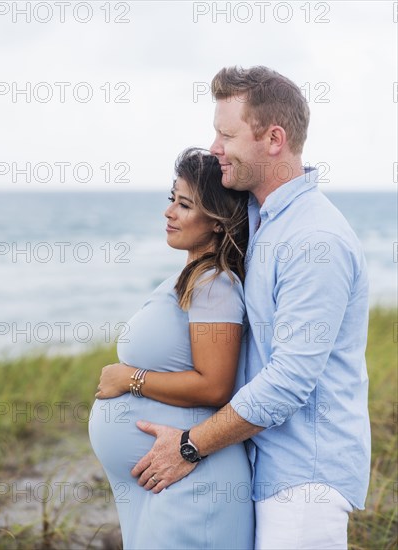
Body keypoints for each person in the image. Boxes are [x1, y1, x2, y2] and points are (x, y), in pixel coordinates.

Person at [126, 67, 371, 550]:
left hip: (304, 485)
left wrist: (190, 446)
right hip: (268, 472)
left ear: (273, 138)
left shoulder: (312, 238)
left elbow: (289, 381)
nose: (215, 147)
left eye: (226, 133)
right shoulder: (263, 219)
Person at [88, 148, 254, 550]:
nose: (170, 212)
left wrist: (131, 379)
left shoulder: (215, 285)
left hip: (194, 489)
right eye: (171, 199)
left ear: (218, 222)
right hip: (168, 486)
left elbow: (215, 386)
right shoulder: (194, 277)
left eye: (185, 204)